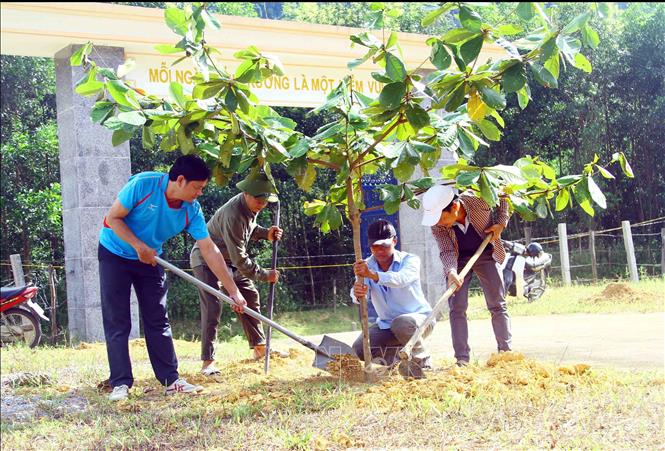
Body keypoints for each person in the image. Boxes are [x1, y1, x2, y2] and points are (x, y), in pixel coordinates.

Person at [99, 154, 246, 401]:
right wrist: (137, 246)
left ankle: (170, 380)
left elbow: (209, 249)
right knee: (118, 320)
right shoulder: (143, 185)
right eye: (197, 187)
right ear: (180, 180)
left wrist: (233, 290)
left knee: (158, 318)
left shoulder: (191, 210)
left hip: (151, 259)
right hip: (115, 253)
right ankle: (120, 383)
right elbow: (113, 218)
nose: (199, 193)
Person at [190, 170, 283, 376]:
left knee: (249, 296)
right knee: (213, 307)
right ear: (246, 194)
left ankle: (260, 347)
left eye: (265, 200)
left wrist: (265, 233)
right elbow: (241, 259)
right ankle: (208, 362)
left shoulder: (250, 207)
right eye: (258, 200)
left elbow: (248, 229)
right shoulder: (233, 214)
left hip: (229, 260)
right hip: (207, 261)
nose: (262, 204)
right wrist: (265, 274)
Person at [421, 184, 512, 366]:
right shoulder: (437, 225)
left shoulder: (478, 198)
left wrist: (501, 223)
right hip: (458, 259)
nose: (438, 223)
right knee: (457, 307)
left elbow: (504, 192)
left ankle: (505, 354)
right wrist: (451, 271)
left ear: (454, 207)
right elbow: (446, 250)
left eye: (441, 218)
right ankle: (462, 359)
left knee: (497, 303)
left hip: (486, 251)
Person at [350, 220, 433, 370]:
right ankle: (394, 363)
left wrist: (373, 275)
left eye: (385, 246)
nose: (380, 250)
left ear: (395, 241)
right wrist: (357, 293)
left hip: (419, 321)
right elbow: (359, 294)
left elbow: (401, 279)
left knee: (401, 323)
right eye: (375, 247)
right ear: (370, 246)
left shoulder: (410, 260)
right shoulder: (366, 266)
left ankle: (423, 363)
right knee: (359, 349)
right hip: (387, 325)